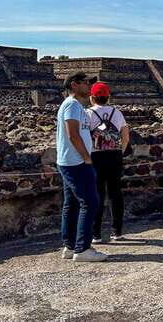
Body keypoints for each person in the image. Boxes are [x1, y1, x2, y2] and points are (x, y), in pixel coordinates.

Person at [55, 72, 107, 262]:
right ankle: (83, 249)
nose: (89, 87)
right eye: (86, 83)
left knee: (73, 204)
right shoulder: (71, 105)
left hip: (70, 161)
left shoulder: (76, 106)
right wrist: (86, 158)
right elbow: (73, 134)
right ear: (75, 85)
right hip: (76, 161)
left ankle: (70, 246)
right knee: (90, 202)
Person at [86, 82, 129, 243]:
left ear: (92, 97)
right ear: (108, 97)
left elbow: (84, 137)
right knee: (115, 194)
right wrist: (120, 152)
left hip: (95, 156)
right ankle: (116, 231)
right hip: (115, 156)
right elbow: (125, 136)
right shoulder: (116, 113)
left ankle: (95, 234)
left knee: (97, 194)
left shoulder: (88, 114)